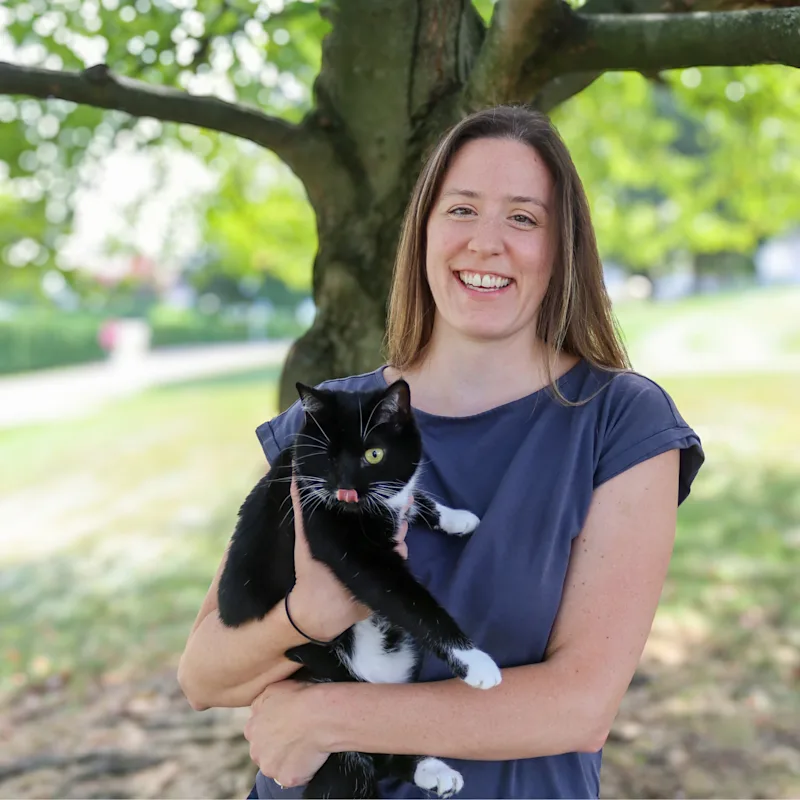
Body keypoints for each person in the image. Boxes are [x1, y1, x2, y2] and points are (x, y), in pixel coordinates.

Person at [178, 104, 705, 799]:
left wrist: (326, 714)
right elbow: (204, 674)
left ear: (562, 248)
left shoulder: (619, 422)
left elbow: (580, 708)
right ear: (423, 231)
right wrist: (309, 613)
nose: (486, 243)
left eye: (523, 218)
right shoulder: (335, 418)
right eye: (462, 210)